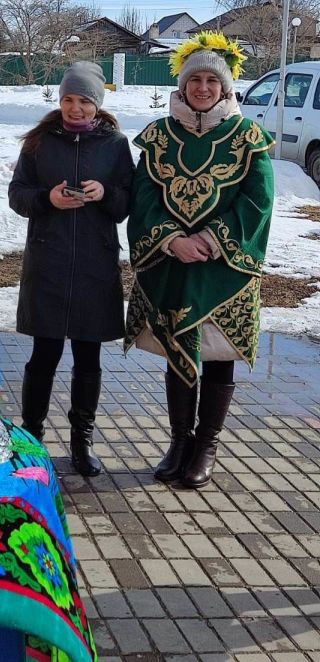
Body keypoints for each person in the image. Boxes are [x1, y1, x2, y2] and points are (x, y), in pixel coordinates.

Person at [124, 32, 274, 488]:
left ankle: (206, 444)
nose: (203, 87)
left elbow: (258, 201)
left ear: (226, 88)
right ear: (184, 85)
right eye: (196, 79)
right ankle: (179, 441)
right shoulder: (157, 135)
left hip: (224, 269)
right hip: (171, 263)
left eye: (213, 79)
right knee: (176, 351)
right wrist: (172, 240)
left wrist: (210, 238)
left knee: (218, 354)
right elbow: (143, 197)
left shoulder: (249, 136)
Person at [9, 61, 135, 476]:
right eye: (68, 99)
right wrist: (49, 199)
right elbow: (18, 196)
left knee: (88, 357)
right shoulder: (40, 142)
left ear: (97, 104)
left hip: (95, 266)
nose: (76, 108)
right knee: (42, 356)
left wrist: (105, 193)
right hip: (49, 261)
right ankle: (31, 438)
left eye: (84, 101)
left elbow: (128, 202)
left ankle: (82, 441)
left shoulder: (115, 144)